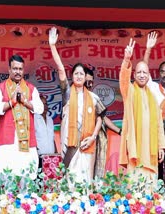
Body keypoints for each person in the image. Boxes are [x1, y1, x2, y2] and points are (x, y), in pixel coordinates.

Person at [49, 27, 105, 183]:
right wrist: (53, 46)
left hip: (87, 146)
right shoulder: (67, 93)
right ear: (72, 77)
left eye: (81, 73)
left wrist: (93, 137)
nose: (79, 76)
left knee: (85, 182)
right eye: (76, 73)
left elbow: (100, 117)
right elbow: (60, 69)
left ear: (85, 77)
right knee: (69, 181)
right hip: (70, 145)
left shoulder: (93, 97)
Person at [119, 38, 165, 181]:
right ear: (134, 75)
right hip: (136, 149)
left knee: (151, 189)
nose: (141, 75)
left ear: (149, 76)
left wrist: (161, 146)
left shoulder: (153, 97)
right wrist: (127, 60)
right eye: (139, 72)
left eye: (145, 73)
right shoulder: (130, 91)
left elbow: (159, 124)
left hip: (151, 151)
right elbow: (123, 79)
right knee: (136, 189)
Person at [0, 55, 44, 179]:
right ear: (9, 69)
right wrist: (10, 102)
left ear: (23, 70)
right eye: (15, 69)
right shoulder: (0, 88)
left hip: (26, 142)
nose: (17, 72)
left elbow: (40, 108)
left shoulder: (31, 89)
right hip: (7, 141)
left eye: (20, 69)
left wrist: (25, 101)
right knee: (4, 176)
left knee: (26, 177)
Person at [143, 31, 165, 185]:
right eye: (162, 71)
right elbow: (143, 69)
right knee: (157, 160)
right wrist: (148, 49)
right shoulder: (153, 87)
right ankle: (157, 190)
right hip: (157, 130)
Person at [84, 68, 122, 178]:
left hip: (97, 140)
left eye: (91, 82)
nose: (89, 85)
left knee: (96, 171)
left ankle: (95, 194)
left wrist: (120, 131)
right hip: (83, 140)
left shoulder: (93, 97)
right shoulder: (74, 97)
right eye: (86, 82)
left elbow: (102, 117)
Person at [34, 93, 55, 169]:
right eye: (42, 104)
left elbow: (53, 138)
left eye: (46, 104)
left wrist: (56, 154)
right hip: (39, 156)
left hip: (51, 157)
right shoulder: (34, 119)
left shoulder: (50, 119)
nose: (45, 106)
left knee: (51, 180)